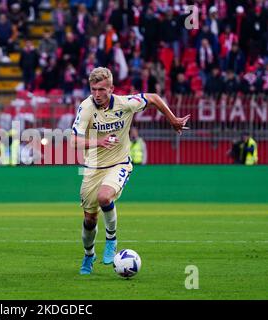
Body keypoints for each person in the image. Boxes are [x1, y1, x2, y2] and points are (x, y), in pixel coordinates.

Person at [71, 67, 190, 275]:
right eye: (93, 90)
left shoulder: (125, 104)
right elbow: (73, 141)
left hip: (119, 163)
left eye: (101, 90)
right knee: (89, 220)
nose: (97, 95)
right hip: (93, 168)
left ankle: (111, 239)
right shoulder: (86, 107)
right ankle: (89, 254)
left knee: (104, 197)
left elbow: (152, 98)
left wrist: (172, 119)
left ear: (112, 88)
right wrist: (99, 141)